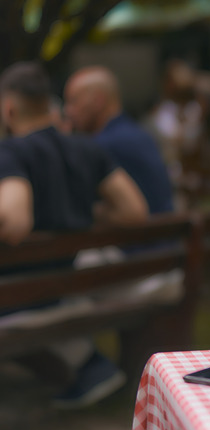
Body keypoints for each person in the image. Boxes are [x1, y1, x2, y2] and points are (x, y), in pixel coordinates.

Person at [0, 61, 149, 407]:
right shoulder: (87, 148)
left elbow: (15, 220)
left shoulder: (10, 152)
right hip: (64, 280)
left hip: (21, 295)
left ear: (9, 109)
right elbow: (133, 210)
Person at [64, 65, 174, 215]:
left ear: (98, 101)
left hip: (139, 237)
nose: (68, 111)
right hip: (167, 234)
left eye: (73, 101)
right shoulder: (140, 134)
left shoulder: (102, 145)